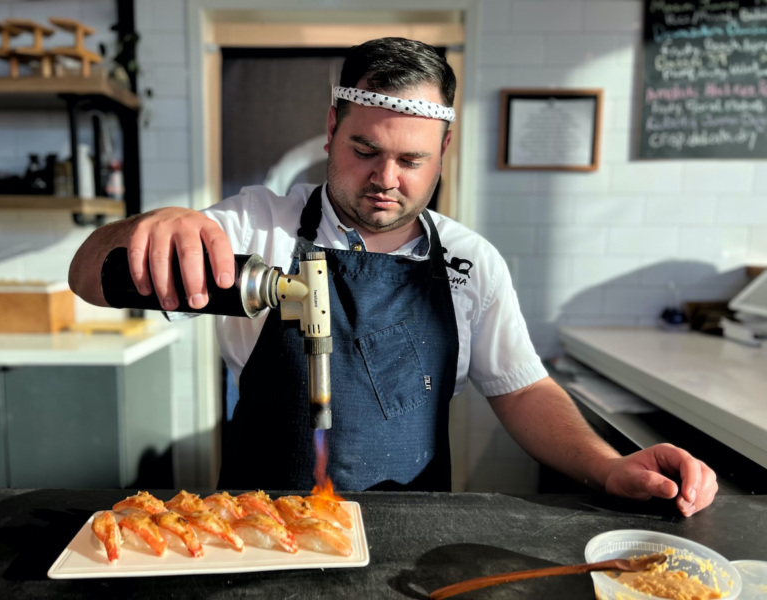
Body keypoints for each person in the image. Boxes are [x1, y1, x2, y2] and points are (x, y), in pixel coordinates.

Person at [69, 37, 717, 515]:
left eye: (412, 160)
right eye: (365, 150)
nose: (386, 179)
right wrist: (151, 226)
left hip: (411, 534)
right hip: (257, 529)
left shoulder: (471, 263)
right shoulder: (257, 226)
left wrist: (608, 466)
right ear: (332, 129)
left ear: (443, 152)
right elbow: (87, 277)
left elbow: (522, 390)